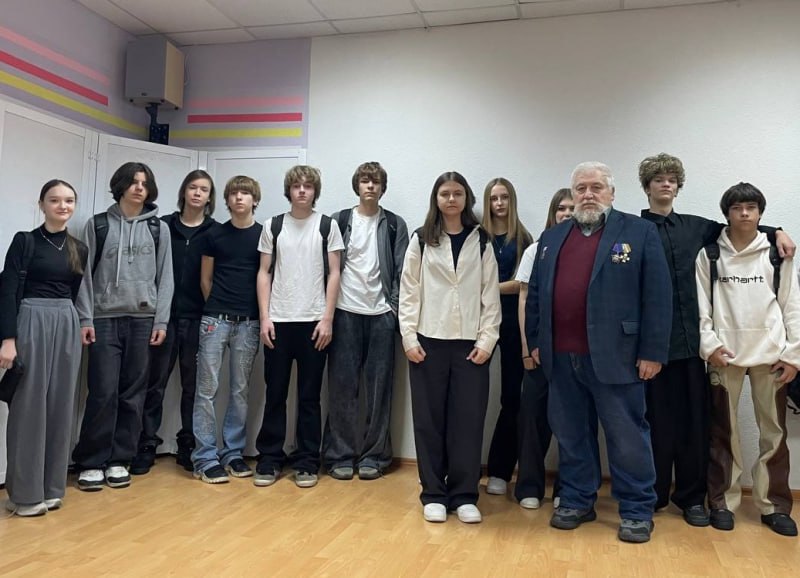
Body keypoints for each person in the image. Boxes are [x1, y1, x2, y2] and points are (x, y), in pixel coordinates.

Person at [638, 153, 793, 526]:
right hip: (656, 347)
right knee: (657, 426)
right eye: (658, 179)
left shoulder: (698, 228)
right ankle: (656, 497)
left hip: (696, 350)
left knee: (699, 427)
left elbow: (742, 224)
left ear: (678, 186)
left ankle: (695, 499)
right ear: (646, 186)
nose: (665, 184)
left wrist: (778, 230)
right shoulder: (632, 230)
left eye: (672, 178)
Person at [526, 161, 672, 543]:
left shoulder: (639, 232)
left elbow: (658, 295)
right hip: (561, 357)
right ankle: (577, 500)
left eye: (596, 187)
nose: (588, 194)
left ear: (611, 193)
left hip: (618, 356)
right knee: (571, 435)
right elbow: (537, 293)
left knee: (627, 437)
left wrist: (652, 351)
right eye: (581, 188)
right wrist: (536, 341)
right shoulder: (552, 237)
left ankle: (637, 509)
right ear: (572, 194)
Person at [696, 182, 799, 537]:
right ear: (727, 213)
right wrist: (709, 345)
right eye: (737, 208)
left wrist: (793, 355)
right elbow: (702, 307)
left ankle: (774, 506)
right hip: (724, 356)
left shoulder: (777, 254)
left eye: (751, 208)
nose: (744, 213)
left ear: (760, 213)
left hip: (772, 357)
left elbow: (792, 305)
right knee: (724, 432)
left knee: (774, 433)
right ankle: (723, 502)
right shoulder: (710, 254)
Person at [399, 171, 500, 524]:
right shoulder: (421, 238)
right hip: (427, 342)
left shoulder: (481, 239)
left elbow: (490, 293)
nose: (452, 199)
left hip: (471, 345)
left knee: (468, 422)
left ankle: (464, 494)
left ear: (466, 198)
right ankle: (433, 494)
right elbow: (408, 291)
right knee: (429, 421)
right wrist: (409, 337)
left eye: (458, 193)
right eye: (445, 193)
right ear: (436, 199)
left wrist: (487, 340)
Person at [73, 162, 173, 491]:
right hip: (103, 319)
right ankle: (92, 461)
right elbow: (84, 277)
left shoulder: (159, 228)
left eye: (144, 183)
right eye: (133, 182)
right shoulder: (98, 225)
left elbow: (166, 278)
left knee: (133, 394)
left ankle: (120, 459)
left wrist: (161, 320)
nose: (139, 188)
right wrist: (86, 318)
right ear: (121, 186)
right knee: (102, 391)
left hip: (143, 320)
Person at [0, 180, 88, 516]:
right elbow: (8, 290)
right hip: (30, 320)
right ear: (42, 204)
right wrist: (8, 339)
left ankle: (52, 488)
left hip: (65, 322)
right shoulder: (25, 241)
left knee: (61, 405)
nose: (62, 206)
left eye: (69, 200)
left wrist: (77, 324)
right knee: (28, 407)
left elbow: (74, 292)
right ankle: (24, 495)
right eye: (54, 200)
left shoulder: (79, 248)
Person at [254, 165, 343, 489]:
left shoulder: (327, 225)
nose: (302, 190)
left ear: (315, 191)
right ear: (289, 190)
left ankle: (306, 461)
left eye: (308, 186)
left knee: (309, 397)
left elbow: (335, 273)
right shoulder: (273, 225)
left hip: (314, 323)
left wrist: (327, 318)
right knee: (275, 394)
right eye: (296, 186)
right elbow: (263, 272)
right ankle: (269, 459)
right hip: (278, 322)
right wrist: (265, 317)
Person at [323, 162, 409, 480]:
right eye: (364, 180)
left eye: (375, 182)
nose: (370, 186)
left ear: (382, 188)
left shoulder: (394, 224)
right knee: (342, 389)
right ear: (357, 186)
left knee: (379, 391)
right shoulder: (339, 220)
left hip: (381, 317)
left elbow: (402, 272)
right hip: (344, 312)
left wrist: (393, 311)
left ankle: (374, 456)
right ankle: (340, 455)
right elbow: (326, 268)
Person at [132, 170, 219, 474]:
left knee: (193, 387)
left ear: (209, 197)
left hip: (199, 319)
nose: (197, 193)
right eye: (192, 187)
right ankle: (146, 443)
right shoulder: (162, 226)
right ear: (184, 191)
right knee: (154, 384)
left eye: (204, 189)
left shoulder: (215, 232)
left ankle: (188, 444)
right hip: (163, 319)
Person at [191, 175, 262, 484]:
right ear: (227, 200)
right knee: (206, 390)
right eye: (234, 193)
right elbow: (205, 279)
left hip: (249, 323)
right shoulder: (214, 234)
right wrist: (217, 307)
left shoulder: (264, 235)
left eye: (245, 193)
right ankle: (205, 457)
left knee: (240, 390)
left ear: (255, 200)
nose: (239, 198)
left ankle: (233, 453)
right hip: (215, 320)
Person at [514, 187, 573, 509]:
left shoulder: (588, 250)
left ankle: (568, 488)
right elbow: (525, 298)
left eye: (572, 208)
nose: (567, 213)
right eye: (561, 208)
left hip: (574, 354)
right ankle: (528, 487)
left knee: (572, 424)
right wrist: (527, 348)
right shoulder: (537, 250)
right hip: (539, 352)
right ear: (553, 213)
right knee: (533, 422)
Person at [481, 177, 533, 497]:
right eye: (493, 198)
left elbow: (522, 283)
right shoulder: (478, 236)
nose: (499, 203)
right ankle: (462, 467)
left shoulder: (523, 238)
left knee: (511, 398)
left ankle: (500, 471)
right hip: (480, 322)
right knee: (471, 397)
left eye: (504, 198)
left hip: (514, 322)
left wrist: (488, 287)